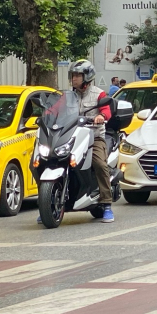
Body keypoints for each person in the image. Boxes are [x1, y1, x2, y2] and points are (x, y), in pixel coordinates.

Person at [69, 59, 114, 223]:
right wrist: (46, 116)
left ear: (87, 77)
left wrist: (101, 116)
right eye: (72, 76)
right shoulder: (68, 96)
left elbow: (106, 110)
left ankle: (107, 204)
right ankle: (49, 203)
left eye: (77, 76)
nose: (74, 79)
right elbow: (55, 109)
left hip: (93, 138)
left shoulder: (99, 94)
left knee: (100, 164)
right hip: (71, 139)